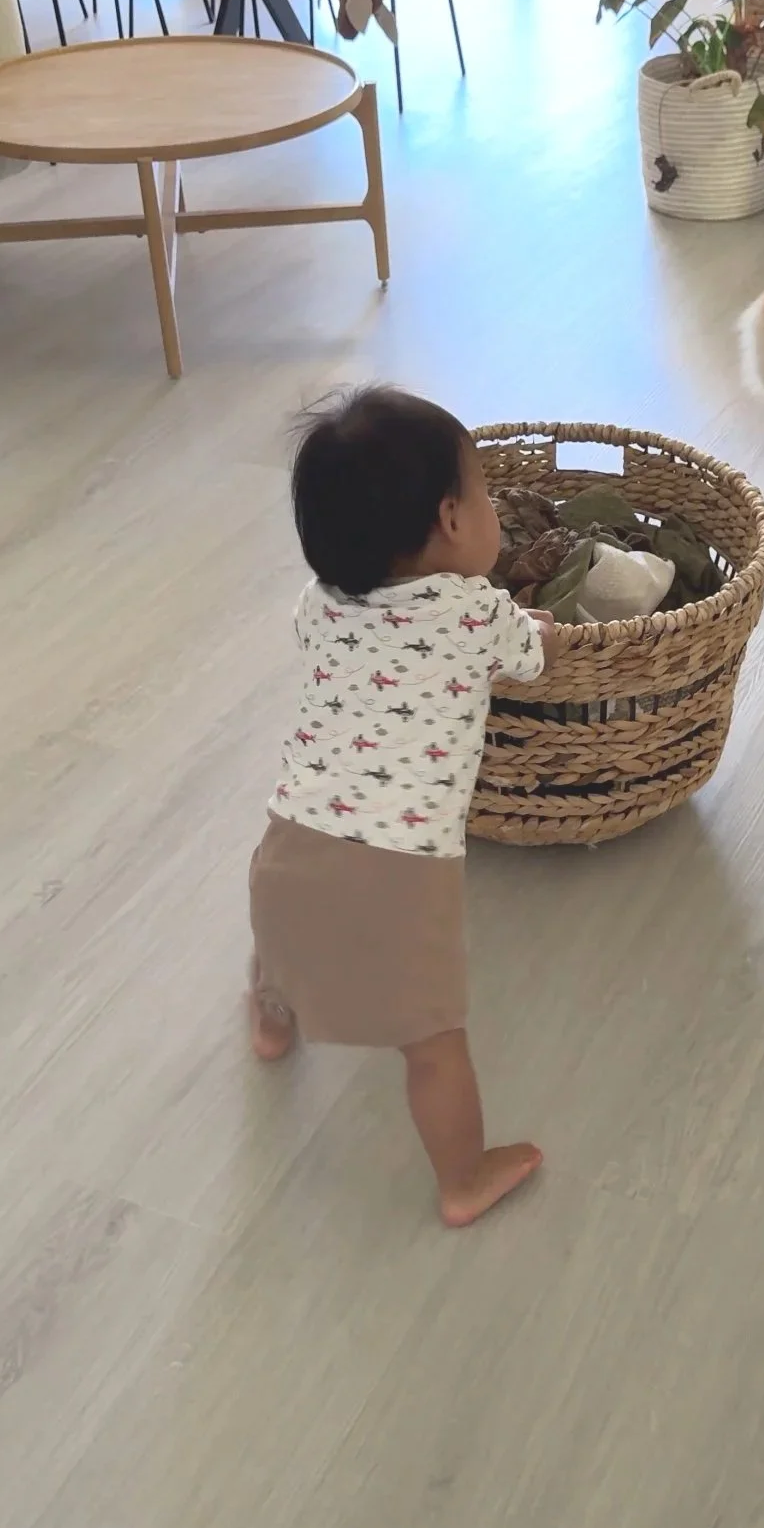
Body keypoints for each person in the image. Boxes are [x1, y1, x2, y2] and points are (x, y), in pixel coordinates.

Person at [249, 387, 557, 1227]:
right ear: (454, 521)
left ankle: (273, 1025)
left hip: (288, 841)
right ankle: (461, 1177)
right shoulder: (477, 609)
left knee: (280, 942)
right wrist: (525, 624)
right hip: (401, 872)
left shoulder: (317, 604)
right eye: (488, 494)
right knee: (431, 1043)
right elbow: (530, 660)